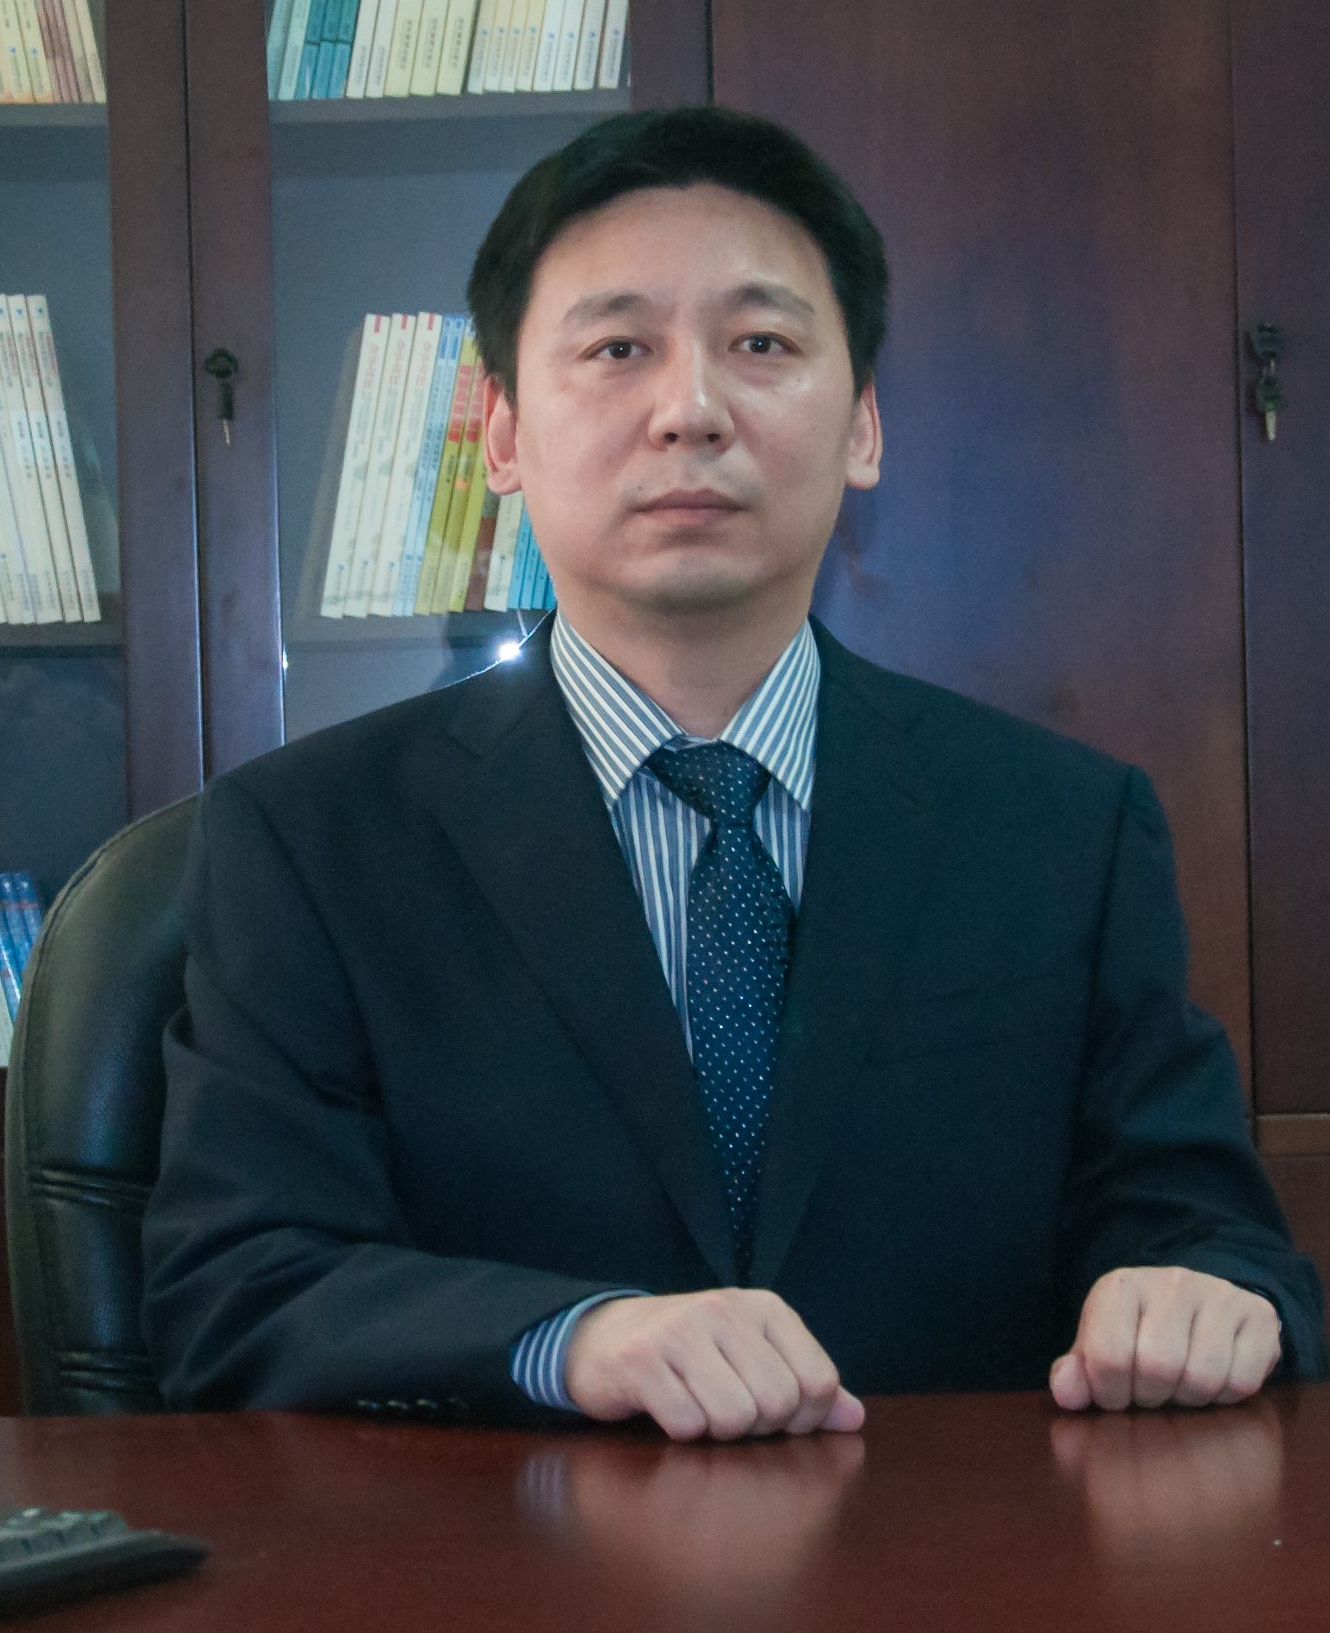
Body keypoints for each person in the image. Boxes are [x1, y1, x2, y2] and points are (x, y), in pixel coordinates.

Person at [141, 106, 1326, 1439]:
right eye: (618, 348)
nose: (689, 411)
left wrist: (1204, 1295)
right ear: (504, 436)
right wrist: (573, 1339)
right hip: (506, 1558)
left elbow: (1206, 1228)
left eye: (760, 344)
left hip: (959, 1553)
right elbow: (236, 1290)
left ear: (863, 426)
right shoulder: (310, 841)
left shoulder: (1062, 828)